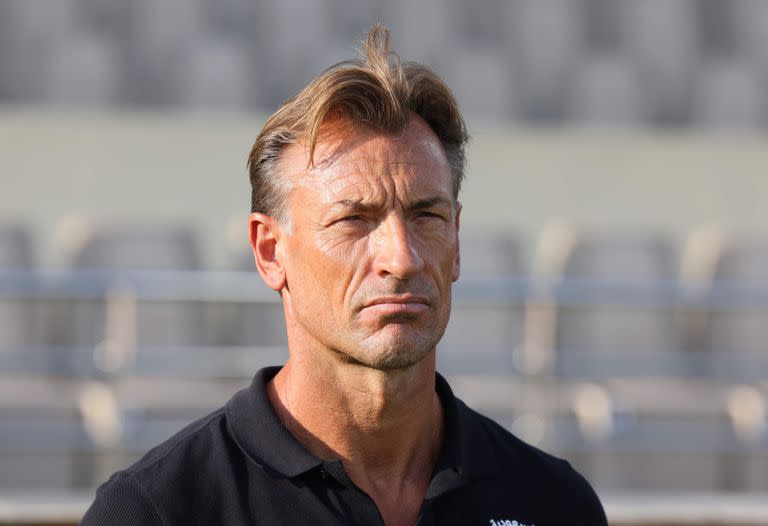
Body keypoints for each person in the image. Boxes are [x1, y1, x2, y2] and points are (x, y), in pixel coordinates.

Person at [82, 26, 607, 526]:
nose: (401, 259)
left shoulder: (555, 503)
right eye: (353, 219)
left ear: (458, 241)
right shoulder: (159, 510)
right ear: (270, 252)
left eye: (427, 216)